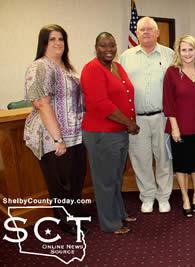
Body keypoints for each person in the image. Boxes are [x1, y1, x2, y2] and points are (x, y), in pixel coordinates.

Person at [23, 24, 87, 235]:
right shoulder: (41, 67)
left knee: (76, 178)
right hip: (53, 137)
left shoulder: (67, 68)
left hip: (76, 134)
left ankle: (74, 214)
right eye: (52, 39)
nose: (58, 43)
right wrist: (58, 139)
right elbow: (41, 103)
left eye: (61, 38)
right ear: (43, 43)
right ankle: (66, 221)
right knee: (61, 182)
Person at [81, 32, 140, 235]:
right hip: (101, 134)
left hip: (119, 132)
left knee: (115, 178)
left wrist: (129, 123)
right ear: (95, 47)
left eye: (112, 45)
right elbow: (101, 104)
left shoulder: (117, 66)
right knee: (105, 181)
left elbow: (127, 96)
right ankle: (110, 223)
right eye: (103, 46)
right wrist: (129, 123)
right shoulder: (91, 69)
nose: (108, 49)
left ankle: (119, 213)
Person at [120, 17, 174, 214]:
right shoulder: (126, 56)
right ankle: (148, 197)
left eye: (150, 29)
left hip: (163, 117)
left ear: (157, 33)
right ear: (137, 33)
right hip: (137, 120)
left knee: (164, 158)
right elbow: (120, 88)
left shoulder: (170, 55)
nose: (146, 32)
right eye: (142, 29)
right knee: (140, 159)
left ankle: (164, 196)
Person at [163, 35, 195, 218]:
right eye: (184, 50)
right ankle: (185, 198)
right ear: (178, 52)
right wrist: (174, 127)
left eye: (191, 49)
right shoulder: (172, 72)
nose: (188, 53)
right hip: (180, 128)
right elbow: (168, 103)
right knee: (182, 166)